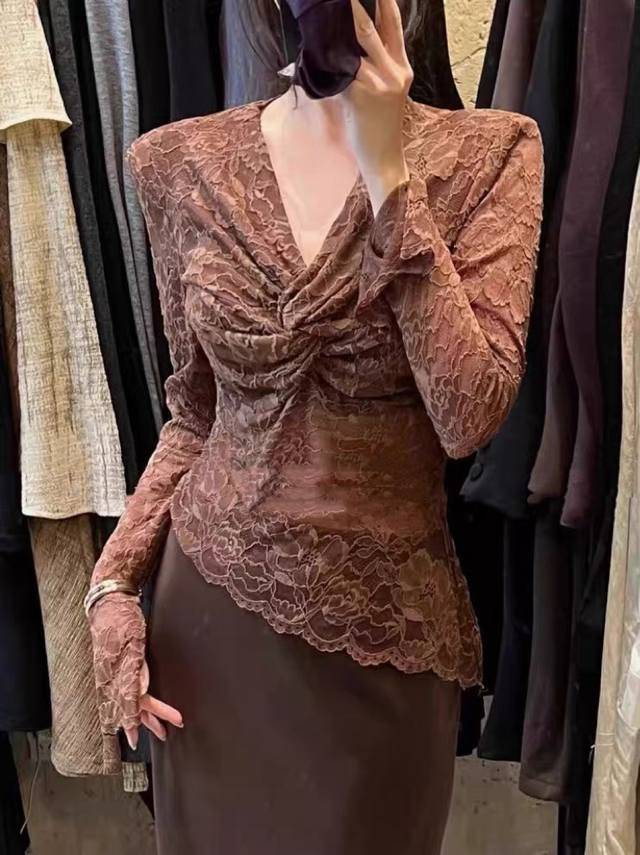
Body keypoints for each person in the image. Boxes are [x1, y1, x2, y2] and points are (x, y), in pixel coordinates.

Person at [86, 1, 544, 852]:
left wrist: (390, 176)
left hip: (384, 636)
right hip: (211, 626)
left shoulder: (492, 152)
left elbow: (468, 416)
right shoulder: (178, 163)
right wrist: (113, 584)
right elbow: (195, 413)